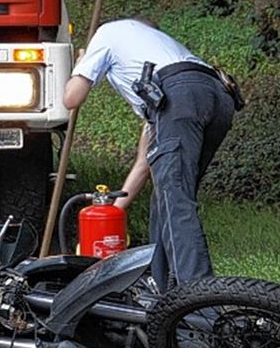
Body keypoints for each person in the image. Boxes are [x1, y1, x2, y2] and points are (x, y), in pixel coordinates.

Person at [63, 18, 236, 292]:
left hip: (180, 96)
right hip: (219, 96)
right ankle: (165, 291)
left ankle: (198, 300)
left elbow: (71, 98)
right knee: (166, 198)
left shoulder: (107, 33)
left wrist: (79, 65)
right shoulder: (160, 57)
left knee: (175, 202)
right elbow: (144, 164)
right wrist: (113, 210)